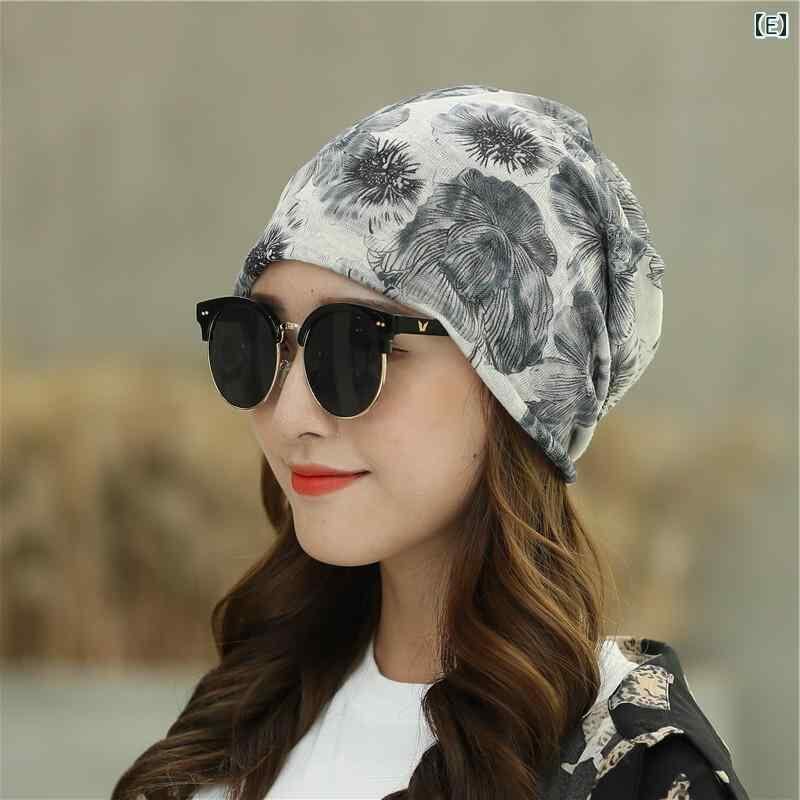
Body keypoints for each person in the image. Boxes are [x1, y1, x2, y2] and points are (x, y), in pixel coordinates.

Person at [112, 85, 749, 800]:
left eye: (356, 348)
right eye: (258, 342)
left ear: (515, 386)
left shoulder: (633, 766)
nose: (289, 415)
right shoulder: (239, 717)